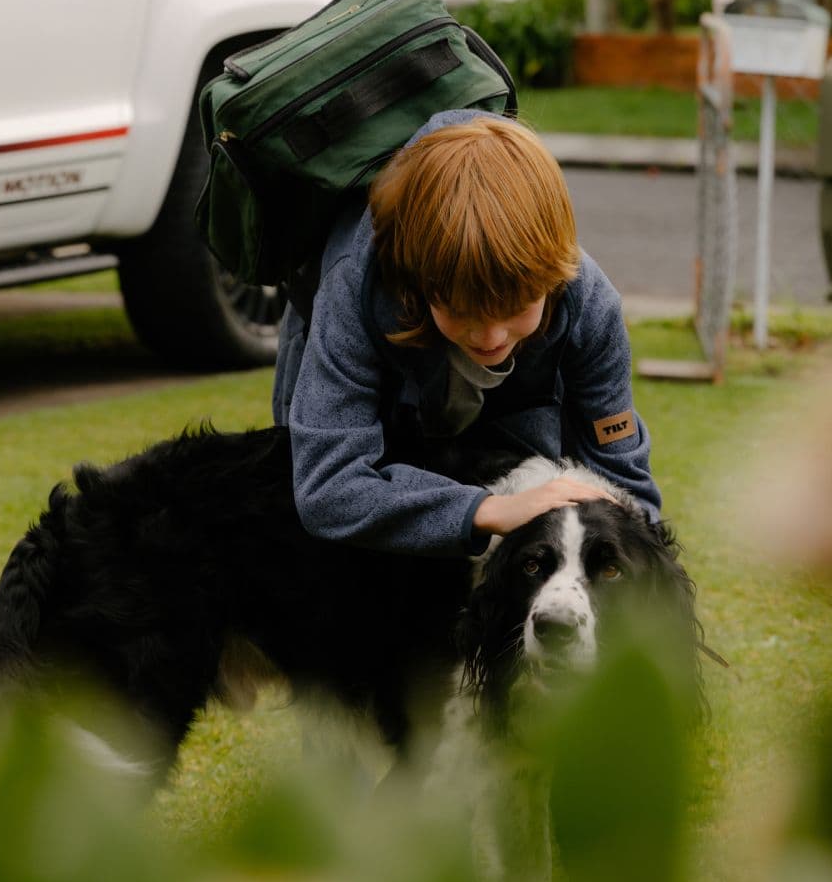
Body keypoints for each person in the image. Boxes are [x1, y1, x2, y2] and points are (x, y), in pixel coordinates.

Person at [272, 108, 661, 557]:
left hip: (505, 425)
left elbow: (628, 491)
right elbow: (328, 489)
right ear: (417, 285)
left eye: (515, 308)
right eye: (462, 311)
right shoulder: (352, 288)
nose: (491, 336)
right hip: (380, 427)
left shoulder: (590, 303)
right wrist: (485, 510)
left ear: (552, 278)